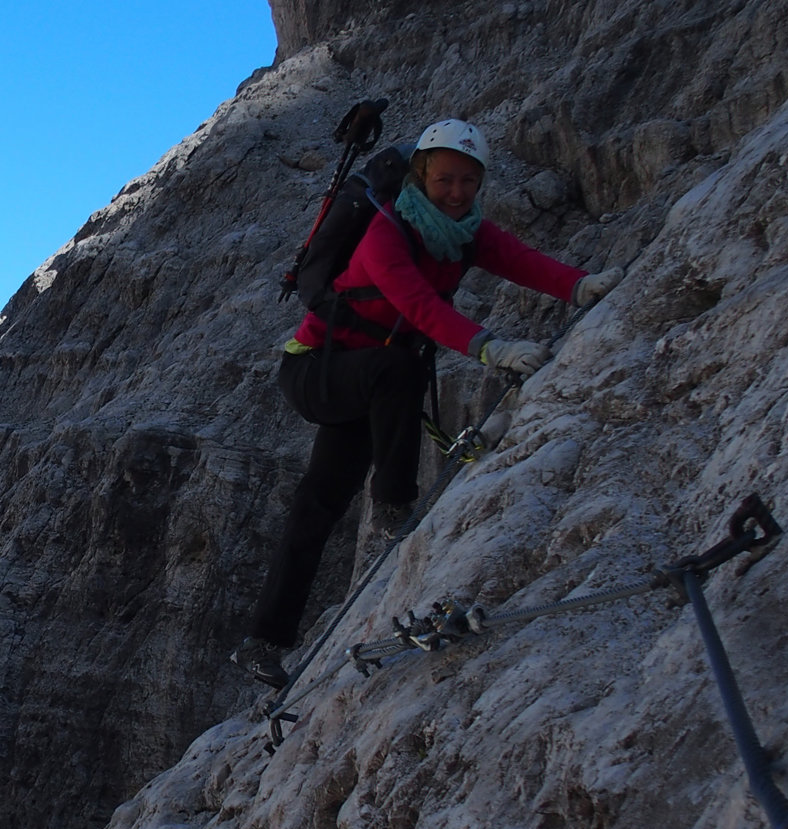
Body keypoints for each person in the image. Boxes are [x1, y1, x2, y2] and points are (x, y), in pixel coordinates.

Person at [236, 119, 625, 688]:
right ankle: (394, 504)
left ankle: (262, 640)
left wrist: (578, 286)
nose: (457, 192)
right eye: (445, 179)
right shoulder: (385, 235)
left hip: (370, 378)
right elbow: (420, 307)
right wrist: (490, 348)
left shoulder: (464, 232)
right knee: (399, 366)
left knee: (319, 502)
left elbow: (520, 260)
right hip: (315, 369)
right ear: (419, 176)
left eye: (469, 181)